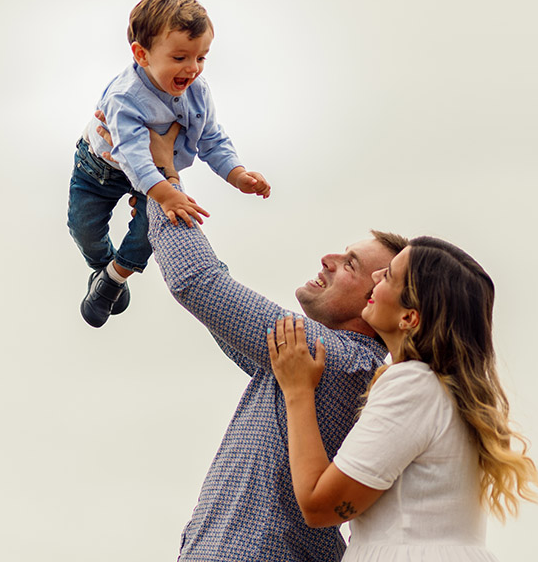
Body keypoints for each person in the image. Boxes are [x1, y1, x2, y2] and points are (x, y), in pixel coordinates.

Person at [94, 117, 407, 560]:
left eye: (351, 264)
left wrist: (160, 180)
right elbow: (217, 311)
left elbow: (200, 284)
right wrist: (157, 211)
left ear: (377, 298)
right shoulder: (312, 360)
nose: (329, 258)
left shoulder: (340, 358)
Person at [268, 238, 538, 561]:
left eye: (387, 276)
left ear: (409, 318)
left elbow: (318, 505)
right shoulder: (445, 391)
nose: (375, 277)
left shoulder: (411, 385)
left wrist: (298, 391)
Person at [68, 0, 270, 328]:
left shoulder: (197, 91)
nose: (192, 69)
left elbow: (211, 137)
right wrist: (165, 191)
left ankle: (114, 279)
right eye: (180, 58)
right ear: (142, 55)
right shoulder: (126, 97)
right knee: (83, 227)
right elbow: (132, 155)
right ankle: (102, 265)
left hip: (157, 176)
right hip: (100, 168)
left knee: (160, 223)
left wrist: (237, 173)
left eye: (201, 58)